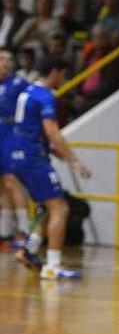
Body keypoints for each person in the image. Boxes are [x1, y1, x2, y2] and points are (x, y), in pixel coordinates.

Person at [8, 57, 91, 279]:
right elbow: (52, 132)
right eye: (63, 74)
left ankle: (28, 251)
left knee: (46, 207)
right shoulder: (45, 97)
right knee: (60, 208)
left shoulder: (27, 92)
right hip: (33, 159)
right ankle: (53, 266)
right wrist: (74, 160)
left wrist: (51, 150)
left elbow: (30, 128)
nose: (64, 79)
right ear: (54, 72)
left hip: (17, 155)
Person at [0, 48, 30, 249]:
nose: (6, 62)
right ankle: (5, 232)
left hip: (12, 134)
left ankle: (24, 230)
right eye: (2, 59)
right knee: (2, 185)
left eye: (9, 59)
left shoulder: (19, 84)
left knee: (12, 182)